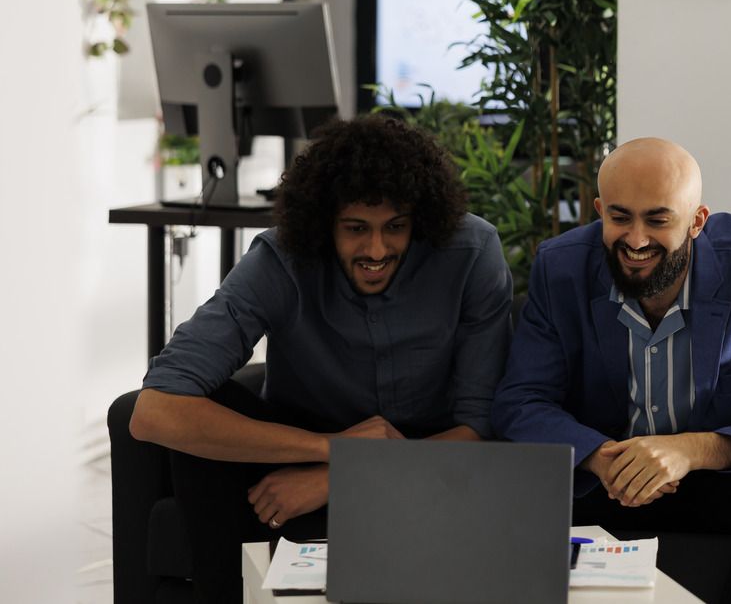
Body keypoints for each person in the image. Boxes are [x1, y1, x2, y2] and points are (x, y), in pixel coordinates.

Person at [129, 115, 513, 603]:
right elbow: (154, 411)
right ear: (324, 222)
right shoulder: (280, 259)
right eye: (356, 229)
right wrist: (334, 449)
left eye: (395, 227)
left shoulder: (472, 253)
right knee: (208, 405)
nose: (376, 248)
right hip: (294, 453)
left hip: (430, 459)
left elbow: (480, 426)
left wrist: (347, 474)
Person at [491, 137, 731, 604]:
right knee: (501, 477)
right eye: (619, 218)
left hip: (717, 478)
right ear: (599, 211)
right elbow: (520, 401)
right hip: (606, 482)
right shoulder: (560, 268)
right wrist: (600, 456)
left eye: (658, 219)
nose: (636, 240)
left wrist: (692, 450)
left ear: (697, 221)